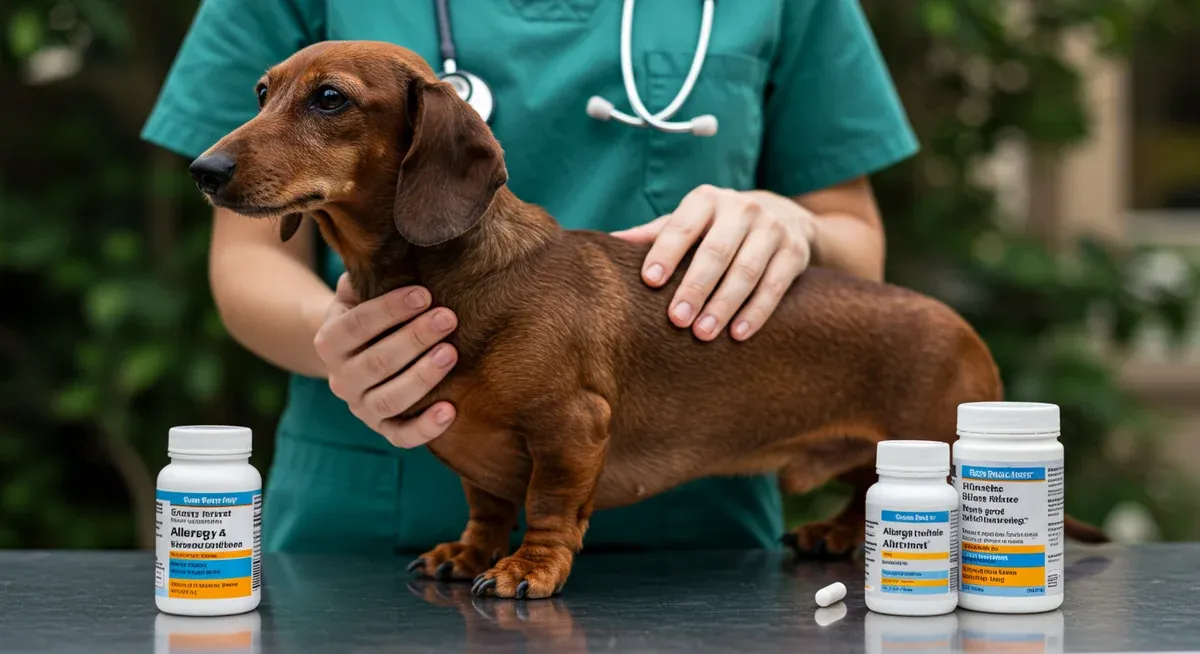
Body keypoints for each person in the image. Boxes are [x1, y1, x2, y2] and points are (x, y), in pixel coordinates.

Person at [142, 0, 917, 554]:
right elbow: (246, 256)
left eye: (328, 102)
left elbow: (859, 251)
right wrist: (343, 345)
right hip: (371, 534)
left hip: (700, 527)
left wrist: (801, 223)